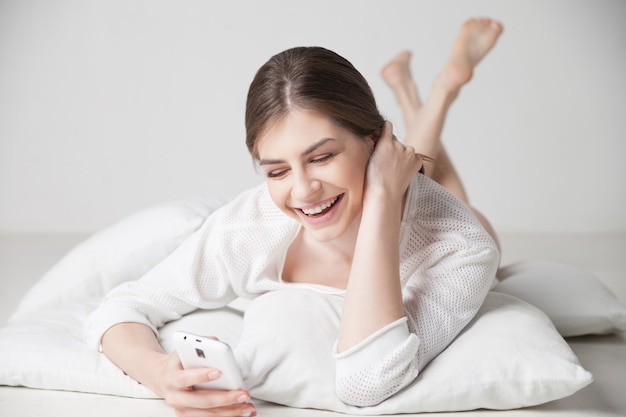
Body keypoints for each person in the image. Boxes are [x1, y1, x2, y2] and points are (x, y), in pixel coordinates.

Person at [84, 17, 503, 417]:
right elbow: (122, 307)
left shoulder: (461, 246)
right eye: (277, 171)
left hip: (455, 223)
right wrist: (160, 374)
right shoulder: (252, 226)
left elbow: (367, 383)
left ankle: (442, 90)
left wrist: (381, 201)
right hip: (392, 184)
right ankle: (424, 95)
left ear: (376, 141)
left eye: (321, 157)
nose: (302, 191)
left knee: (441, 186)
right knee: (424, 167)